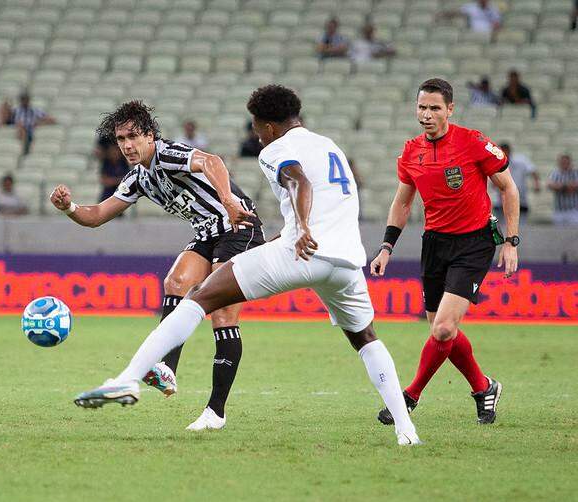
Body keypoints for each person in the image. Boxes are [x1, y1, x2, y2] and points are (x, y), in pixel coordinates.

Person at [71, 86, 421, 447]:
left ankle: (129, 378)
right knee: (365, 339)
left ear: (267, 126)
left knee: (200, 296)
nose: (255, 134)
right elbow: (329, 200)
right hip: (347, 260)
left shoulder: (275, 149)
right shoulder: (329, 146)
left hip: (300, 250)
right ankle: (406, 431)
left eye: (255, 127)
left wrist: (300, 230)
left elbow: (298, 181)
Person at [50, 100, 265, 430]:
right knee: (176, 282)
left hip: (238, 228)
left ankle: (215, 412)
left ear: (150, 135)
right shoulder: (138, 178)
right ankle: (167, 370)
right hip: (208, 234)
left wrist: (229, 200)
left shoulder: (167, 154)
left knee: (222, 315)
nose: (126, 145)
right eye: (121, 139)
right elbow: (96, 216)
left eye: (133, 137)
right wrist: (69, 207)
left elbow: (211, 161)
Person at [370, 78, 520, 425]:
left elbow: (508, 188)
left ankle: (408, 397)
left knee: (442, 330)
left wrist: (511, 242)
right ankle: (484, 388)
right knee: (443, 332)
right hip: (435, 243)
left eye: (434, 108)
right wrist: (386, 246)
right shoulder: (411, 151)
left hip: (474, 242)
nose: (426, 114)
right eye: (422, 107)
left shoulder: (472, 142)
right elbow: (403, 201)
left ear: (450, 110)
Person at [491, 143, 539, 222]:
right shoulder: (495, 163)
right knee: (502, 226)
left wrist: (536, 184)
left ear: (508, 151)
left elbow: (533, 171)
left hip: (520, 200)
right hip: (502, 201)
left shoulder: (521, 161)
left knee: (521, 226)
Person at [548, 154, 578, 226]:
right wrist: (567, 186)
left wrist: (560, 186)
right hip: (559, 211)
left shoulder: (575, 173)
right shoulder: (555, 173)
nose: (564, 164)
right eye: (562, 162)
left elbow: (576, 186)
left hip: (573, 210)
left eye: (566, 162)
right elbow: (550, 185)